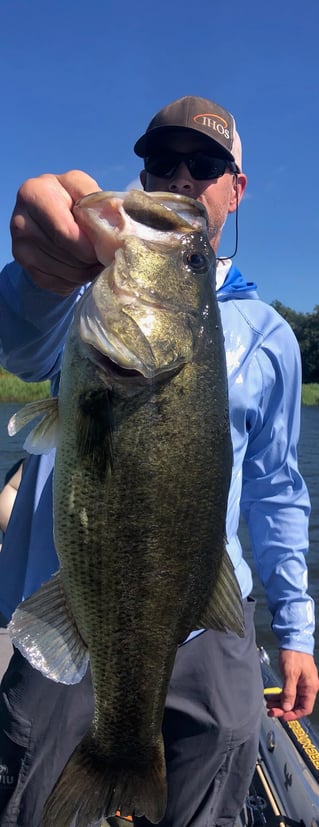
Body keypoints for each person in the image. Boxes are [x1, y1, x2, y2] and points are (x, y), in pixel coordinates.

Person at [0, 94, 318, 827]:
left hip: (211, 600)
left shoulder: (270, 336)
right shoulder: (87, 291)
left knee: (227, 743)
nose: (179, 177)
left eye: (204, 164)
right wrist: (43, 275)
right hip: (81, 593)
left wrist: (295, 630)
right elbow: (23, 341)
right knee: (29, 786)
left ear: (235, 189)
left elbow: (276, 488)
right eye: (160, 162)